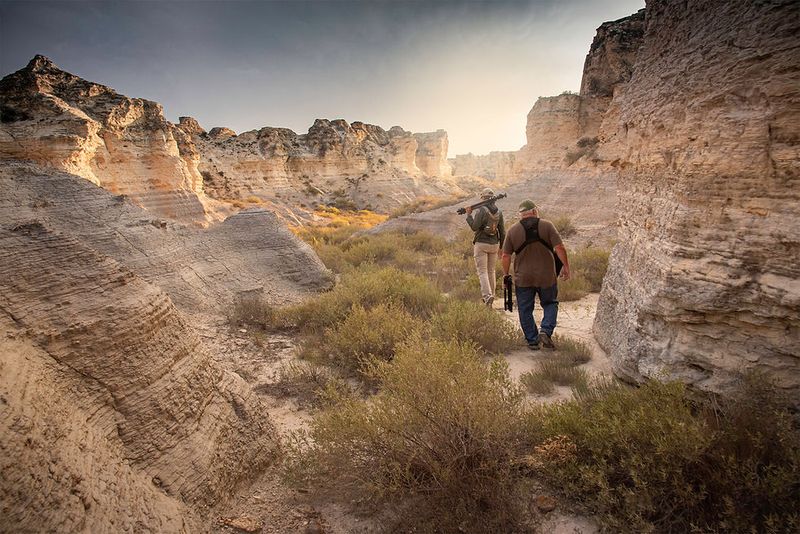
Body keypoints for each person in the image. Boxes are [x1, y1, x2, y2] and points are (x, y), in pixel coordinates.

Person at [501, 200, 570, 350]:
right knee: (550, 303)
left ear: (521, 215)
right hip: (546, 276)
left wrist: (506, 275)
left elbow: (505, 256)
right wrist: (566, 266)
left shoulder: (513, 230)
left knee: (525, 309)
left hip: (523, 277)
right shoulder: (547, 225)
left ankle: (532, 341)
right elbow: (559, 247)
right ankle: (545, 331)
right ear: (534, 211)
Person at [465, 188, 505, 306]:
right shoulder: (499, 212)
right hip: (495, 245)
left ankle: (487, 296)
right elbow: (502, 231)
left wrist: (468, 215)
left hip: (481, 244)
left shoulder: (481, 210)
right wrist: (501, 247)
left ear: (483, 198)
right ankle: (491, 295)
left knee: (482, 271)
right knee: (491, 271)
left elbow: (474, 227)